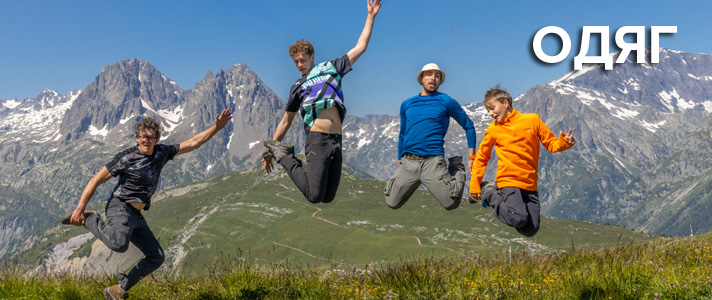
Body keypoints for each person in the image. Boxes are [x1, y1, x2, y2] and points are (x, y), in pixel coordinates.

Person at [60, 110, 232, 300]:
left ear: (157, 139)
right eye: (143, 137)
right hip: (120, 206)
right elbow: (96, 180)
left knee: (156, 256)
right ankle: (90, 220)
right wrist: (80, 209)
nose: (146, 141)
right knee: (119, 244)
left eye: (150, 137)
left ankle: (118, 289)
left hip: (136, 214)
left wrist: (217, 127)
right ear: (137, 137)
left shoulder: (162, 152)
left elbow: (194, 142)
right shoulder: (126, 158)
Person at [261, 0, 382, 204]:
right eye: (296, 62)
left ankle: (291, 159)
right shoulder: (297, 86)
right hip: (317, 138)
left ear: (312, 56)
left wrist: (370, 16)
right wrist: (272, 149)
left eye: (302, 60)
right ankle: (285, 156)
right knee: (314, 196)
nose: (300, 65)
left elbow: (361, 47)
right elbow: (285, 122)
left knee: (327, 197)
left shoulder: (331, 68)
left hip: (337, 140)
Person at [469, 87, 575, 237]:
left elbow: (551, 144)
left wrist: (564, 142)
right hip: (509, 180)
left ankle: (493, 193)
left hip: (530, 183)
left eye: (492, 108)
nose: (490, 114)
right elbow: (481, 158)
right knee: (518, 218)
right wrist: (475, 186)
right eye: (488, 111)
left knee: (531, 229)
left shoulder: (532, 120)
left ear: (505, 103)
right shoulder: (493, 129)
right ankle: (489, 193)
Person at [384, 63, 476, 210]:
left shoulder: (446, 101)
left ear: (439, 81)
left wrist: (472, 158)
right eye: (429, 74)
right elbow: (402, 134)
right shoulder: (407, 104)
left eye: (437, 75)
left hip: (433, 161)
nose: (433, 78)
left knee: (450, 203)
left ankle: (457, 167)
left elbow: (469, 126)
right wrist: (399, 160)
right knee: (392, 202)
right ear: (421, 79)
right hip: (408, 161)